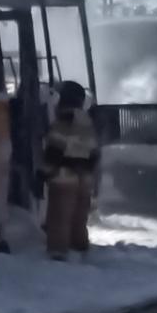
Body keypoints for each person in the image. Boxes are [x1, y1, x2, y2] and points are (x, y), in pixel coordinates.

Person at [43, 80, 98, 260]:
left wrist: (44, 172)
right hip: (85, 177)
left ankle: (58, 254)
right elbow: (95, 152)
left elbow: (55, 150)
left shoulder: (64, 120)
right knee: (79, 217)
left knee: (60, 217)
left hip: (64, 176)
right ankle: (80, 249)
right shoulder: (88, 121)